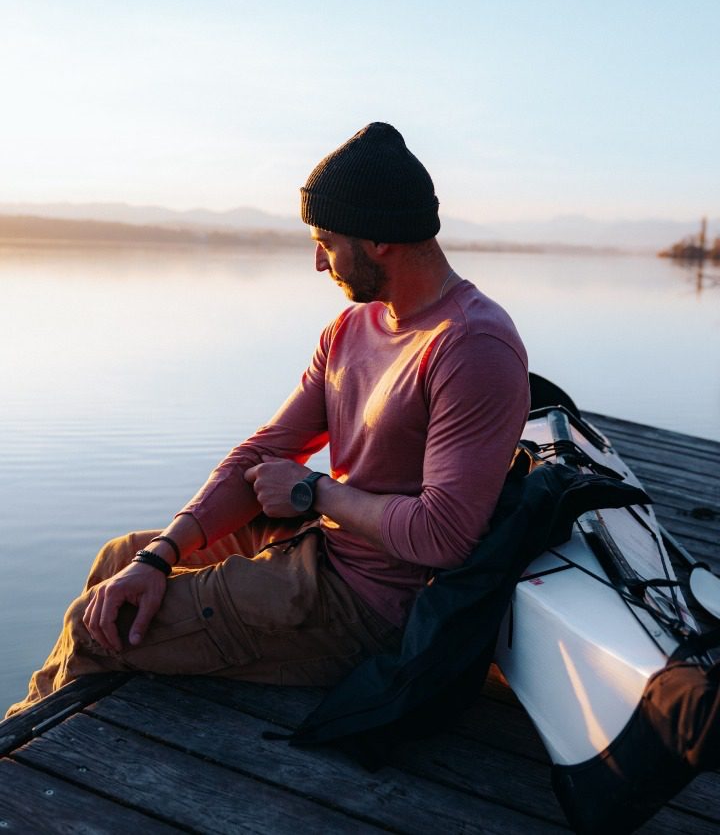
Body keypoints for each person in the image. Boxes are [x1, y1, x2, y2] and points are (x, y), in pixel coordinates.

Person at [6, 122, 529, 717]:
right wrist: (161, 553)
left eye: (326, 239)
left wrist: (313, 490)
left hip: (368, 610)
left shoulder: (472, 345)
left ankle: (23, 764)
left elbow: (445, 535)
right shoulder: (351, 330)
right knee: (120, 562)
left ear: (380, 238)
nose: (317, 261)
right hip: (317, 552)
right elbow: (263, 452)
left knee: (98, 623)